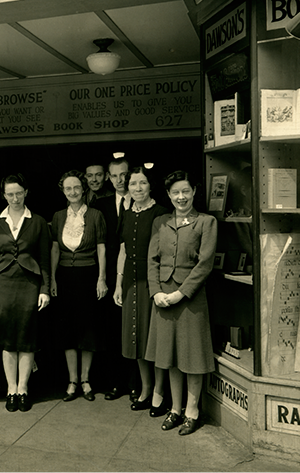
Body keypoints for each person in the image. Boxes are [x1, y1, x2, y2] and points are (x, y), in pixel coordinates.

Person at [146, 170, 217, 436]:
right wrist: (156, 292)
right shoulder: (160, 222)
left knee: (192, 356)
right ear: (168, 195)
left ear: (194, 192)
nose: (181, 197)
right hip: (163, 298)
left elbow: (205, 264)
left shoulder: (206, 222)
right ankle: (175, 409)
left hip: (190, 299)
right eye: (175, 192)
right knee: (171, 356)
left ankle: (192, 411)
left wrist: (180, 293)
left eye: (185, 191)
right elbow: (151, 260)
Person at [0, 173, 51, 412]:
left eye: (19, 193)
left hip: (29, 285)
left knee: (26, 337)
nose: (15, 198)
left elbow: (44, 259)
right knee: (7, 339)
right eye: (10, 194)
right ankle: (10, 388)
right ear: (4, 195)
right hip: (3, 284)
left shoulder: (38, 221)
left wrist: (45, 289)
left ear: (26, 193)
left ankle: (23, 388)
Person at [113, 166, 170, 414]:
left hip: (152, 281)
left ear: (151, 186)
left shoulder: (161, 214)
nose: (137, 188)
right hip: (130, 281)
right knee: (135, 339)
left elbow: (165, 254)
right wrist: (117, 283)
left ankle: (159, 392)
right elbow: (123, 250)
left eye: (142, 183)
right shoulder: (125, 213)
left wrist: (159, 286)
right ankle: (145, 389)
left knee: (152, 338)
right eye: (133, 184)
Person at [49, 170, 107, 402]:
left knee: (88, 328)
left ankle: (86, 380)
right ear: (63, 191)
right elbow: (55, 248)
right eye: (68, 188)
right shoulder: (58, 215)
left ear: (83, 189)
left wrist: (101, 278)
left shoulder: (95, 215)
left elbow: (101, 248)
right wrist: (52, 278)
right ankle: (72, 381)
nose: (72, 192)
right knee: (68, 330)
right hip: (64, 277)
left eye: (76, 188)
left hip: (88, 275)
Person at [92, 155, 132, 401]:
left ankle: (136, 384)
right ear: (108, 177)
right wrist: (102, 278)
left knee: (136, 328)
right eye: (115, 175)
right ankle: (116, 382)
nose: (121, 180)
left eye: (124, 175)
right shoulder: (101, 207)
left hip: (136, 274)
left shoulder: (142, 202)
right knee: (113, 330)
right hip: (109, 276)